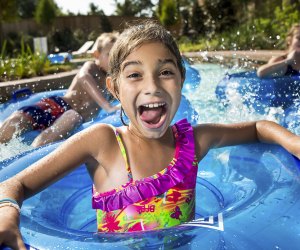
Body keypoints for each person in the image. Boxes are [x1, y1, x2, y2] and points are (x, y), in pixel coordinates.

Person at [0, 20, 300, 249]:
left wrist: (293, 142)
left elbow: (259, 127)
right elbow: (15, 183)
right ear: (115, 88)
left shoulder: (194, 141)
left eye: (166, 72)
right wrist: (7, 212)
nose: (152, 86)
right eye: (134, 74)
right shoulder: (102, 142)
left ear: (181, 80)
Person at [0, 32, 120, 147]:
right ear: (96, 54)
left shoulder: (110, 81)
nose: (113, 60)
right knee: (16, 121)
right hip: (58, 105)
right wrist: (107, 107)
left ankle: (31, 152)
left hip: (73, 116)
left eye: (116, 56)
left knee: (73, 116)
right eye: (109, 54)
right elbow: (84, 77)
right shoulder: (91, 67)